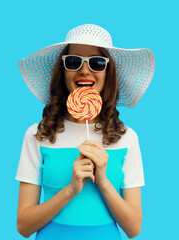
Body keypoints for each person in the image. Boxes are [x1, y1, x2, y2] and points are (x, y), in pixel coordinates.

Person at [15, 24, 155, 240]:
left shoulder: (127, 138)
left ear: (109, 73)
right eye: (73, 61)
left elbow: (134, 229)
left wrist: (103, 181)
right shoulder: (38, 134)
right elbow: (24, 226)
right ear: (63, 71)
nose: (84, 70)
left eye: (97, 63)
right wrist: (71, 189)